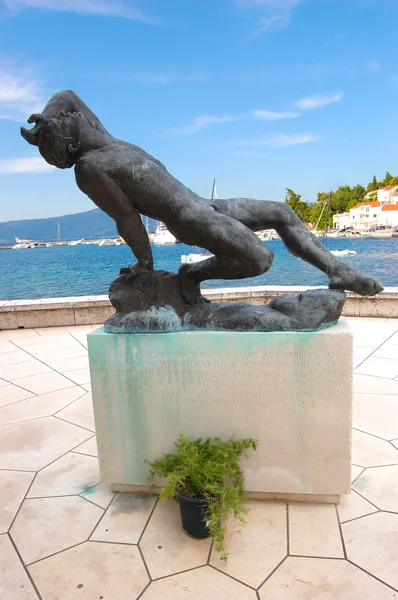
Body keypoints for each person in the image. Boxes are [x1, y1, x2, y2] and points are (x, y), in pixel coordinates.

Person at [21, 90, 383, 304]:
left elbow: (68, 96)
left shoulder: (108, 140)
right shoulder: (89, 167)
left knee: (283, 211)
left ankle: (339, 271)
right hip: (189, 219)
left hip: (205, 204)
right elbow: (125, 218)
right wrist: (144, 263)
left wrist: (47, 118)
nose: (70, 115)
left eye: (66, 116)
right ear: (69, 143)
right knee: (261, 259)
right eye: (64, 121)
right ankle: (191, 274)